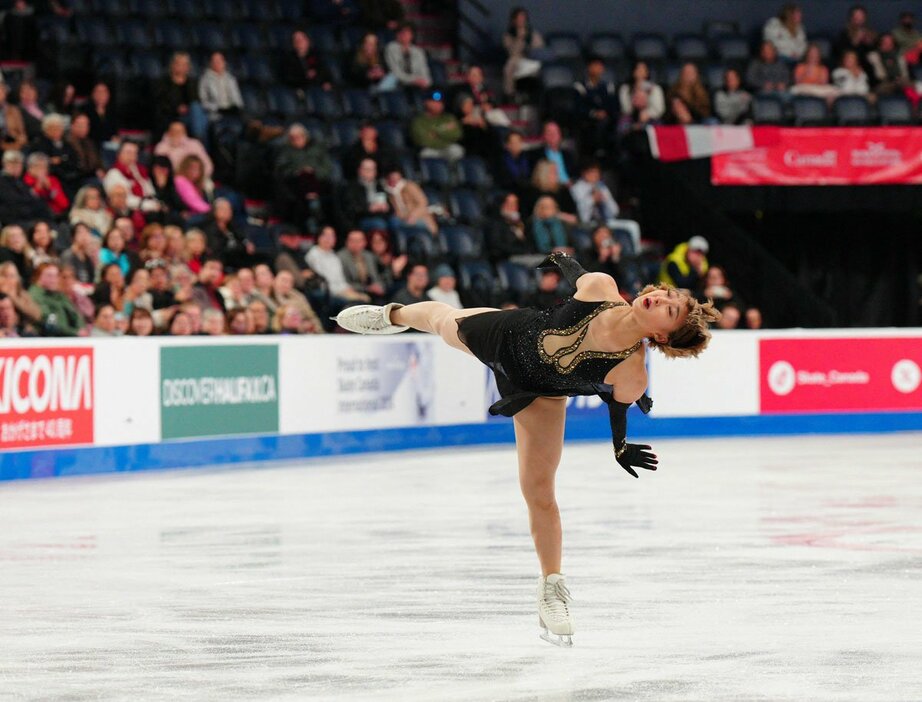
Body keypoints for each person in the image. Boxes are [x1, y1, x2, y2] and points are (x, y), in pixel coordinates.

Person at [334, 251, 719, 647]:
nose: (660, 298)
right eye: (666, 295)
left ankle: (552, 587)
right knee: (441, 320)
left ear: (660, 337)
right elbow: (578, 273)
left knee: (539, 492)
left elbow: (617, 407)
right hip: (506, 335)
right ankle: (391, 316)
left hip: (541, 394)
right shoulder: (602, 288)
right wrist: (562, 260)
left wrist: (620, 448)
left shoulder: (631, 373)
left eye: (670, 311)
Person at [275, 123, 333, 227]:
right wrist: (297, 171)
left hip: (319, 183)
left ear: (305, 136)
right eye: (293, 138)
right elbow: (281, 170)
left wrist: (314, 171)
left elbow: (327, 168)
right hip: (296, 186)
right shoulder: (285, 152)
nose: (296, 140)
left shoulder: (318, 148)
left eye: (299, 136)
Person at [306, 225, 369, 302]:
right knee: (356, 301)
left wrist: (348, 289)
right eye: (326, 235)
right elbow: (324, 282)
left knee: (365, 298)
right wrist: (345, 292)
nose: (329, 239)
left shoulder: (334, 256)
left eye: (332, 236)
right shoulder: (313, 255)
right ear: (319, 237)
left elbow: (341, 279)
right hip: (327, 293)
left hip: (341, 290)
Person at [154, 51, 207, 142]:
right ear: (173, 65)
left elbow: (196, 100)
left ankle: (199, 140)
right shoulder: (164, 83)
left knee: (197, 110)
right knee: (201, 120)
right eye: (179, 64)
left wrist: (187, 108)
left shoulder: (192, 83)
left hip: (190, 115)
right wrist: (177, 109)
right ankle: (199, 143)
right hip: (172, 115)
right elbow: (161, 103)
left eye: (185, 64)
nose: (182, 67)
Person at [573, 56, 619, 159]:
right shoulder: (580, 87)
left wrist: (606, 113)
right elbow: (579, 108)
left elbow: (614, 106)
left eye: (600, 66)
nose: (598, 69)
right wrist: (594, 113)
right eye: (595, 65)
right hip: (588, 122)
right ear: (589, 67)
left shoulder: (608, 87)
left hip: (607, 121)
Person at [29, 262, 86, 336]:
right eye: (49, 276)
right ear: (39, 276)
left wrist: (81, 328)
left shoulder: (58, 294)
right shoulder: (36, 295)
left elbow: (74, 313)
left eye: (56, 276)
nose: (53, 279)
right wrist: (75, 332)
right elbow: (50, 322)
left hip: (68, 337)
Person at [410, 89, 465, 162]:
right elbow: (422, 141)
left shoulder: (448, 118)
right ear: (426, 102)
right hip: (430, 149)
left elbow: (457, 135)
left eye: (440, 102)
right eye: (434, 102)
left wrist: (436, 133)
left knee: (457, 150)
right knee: (426, 154)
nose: (438, 105)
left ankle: (451, 171)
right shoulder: (419, 121)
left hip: (447, 148)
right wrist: (445, 130)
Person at [502, 6, 545, 99]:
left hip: (531, 59)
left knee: (539, 68)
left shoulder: (532, 33)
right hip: (517, 59)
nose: (521, 20)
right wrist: (520, 38)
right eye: (519, 18)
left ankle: (537, 96)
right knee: (509, 66)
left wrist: (531, 49)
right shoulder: (508, 35)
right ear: (514, 20)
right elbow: (512, 52)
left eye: (523, 17)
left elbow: (539, 48)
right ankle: (509, 94)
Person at [33, 113, 81, 195]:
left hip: (71, 175)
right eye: (53, 128)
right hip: (54, 176)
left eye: (59, 127)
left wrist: (61, 160)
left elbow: (74, 160)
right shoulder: (40, 144)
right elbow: (46, 161)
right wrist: (63, 159)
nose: (56, 130)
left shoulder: (67, 144)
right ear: (46, 130)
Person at [0, 150, 52, 223]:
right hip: (12, 219)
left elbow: (33, 199)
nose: (15, 167)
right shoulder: (2, 181)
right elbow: (13, 201)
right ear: (4, 164)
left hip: (27, 217)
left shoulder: (20, 182)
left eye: (18, 163)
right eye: (12, 163)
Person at [383, 166, 438, 235]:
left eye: (396, 176)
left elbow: (423, 203)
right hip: (402, 219)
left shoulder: (410, 186)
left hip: (419, 217)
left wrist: (413, 216)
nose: (394, 178)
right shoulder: (389, 192)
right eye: (392, 177)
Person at [103, 141, 155, 212]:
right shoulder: (113, 174)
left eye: (135, 153)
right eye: (128, 152)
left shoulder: (141, 171)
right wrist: (146, 204)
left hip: (148, 207)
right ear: (119, 154)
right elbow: (121, 200)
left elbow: (151, 192)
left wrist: (154, 203)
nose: (132, 156)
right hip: (127, 211)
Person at [340, 158, 392, 230]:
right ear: (360, 170)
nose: (370, 172)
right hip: (363, 219)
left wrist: (387, 207)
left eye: (373, 169)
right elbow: (351, 208)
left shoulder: (379, 185)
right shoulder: (352, 187)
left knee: (395, 221)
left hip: (382, 216)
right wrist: (368, 208)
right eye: (367, 169)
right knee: (379, 224)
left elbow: (389, 204)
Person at [338, 229, 386, 302]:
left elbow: (375, 277)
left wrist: (378, 286)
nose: (356, 243)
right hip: (355, 291)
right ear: (347, 242)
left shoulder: (369, 256)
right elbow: (345, 283)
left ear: (364, 242)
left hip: (372, 290)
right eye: (352, 241)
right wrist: (367, 288)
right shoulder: (341, 257)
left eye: (359, 241)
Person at [487, 192, 535, 264]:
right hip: (504, 259)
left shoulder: (521, 224)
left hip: (522, 257)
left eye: (516, 204)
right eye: (510, 204)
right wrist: (520, 251)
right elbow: (497, 245)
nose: (514, 208)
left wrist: (521, 234)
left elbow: (529, 245)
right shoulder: (495, 224)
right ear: (502, 205)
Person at [618, 61, 666, 131]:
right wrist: (635, 100)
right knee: (623, 126)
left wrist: (647, 114)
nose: (640, 72)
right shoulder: (625, 88)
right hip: (631, 117)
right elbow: (626, 109)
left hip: (650, 118)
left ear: (647, 72)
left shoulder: (655, 88)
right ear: (633, 72)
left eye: (643, 70)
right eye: (638, 69)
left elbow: (659, 109)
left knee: (658, 128)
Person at [198, 51, 244, 122]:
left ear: (224, 62)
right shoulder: (205, 80)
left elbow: (238, 99)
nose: (218, 63)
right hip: (216, 113)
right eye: (215, 61)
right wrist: (217, 108)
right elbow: (203, 101)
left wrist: (235, 107)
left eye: (220, 60)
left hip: (232, 112)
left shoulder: (231, 78)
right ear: (211, 63)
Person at [569, 161, 619, 227]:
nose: (595, 175)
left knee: (632, 225)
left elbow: (615, 212)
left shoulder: (602, 187)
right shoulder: (576, 188)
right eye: (592, 172)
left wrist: (606, 200)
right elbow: (582, 214)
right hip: (588, 223)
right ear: (584, 173)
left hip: (606, 221)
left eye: (597, 172)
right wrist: (592, 199)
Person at [384, 22, 432, 89]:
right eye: (401, 32)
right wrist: (413, 80)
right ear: (397, 35)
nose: (403, 35)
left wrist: (425, 82)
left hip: (417, 83)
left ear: (412, 35)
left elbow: (424, 71)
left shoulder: (418, 51)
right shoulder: (391, 48)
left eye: (406, 33)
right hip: (398, 83)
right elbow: (395, 72)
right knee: (390, 79)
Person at [22, 152, 69, 217]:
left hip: (55, 215)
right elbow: (27, 204)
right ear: (30, 168)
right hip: (33, 216)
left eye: (44, 167)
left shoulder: (52, 180)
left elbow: (64, 204)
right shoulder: (24, 181)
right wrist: (38, 188)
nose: (41, 170)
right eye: (38, 166)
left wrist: (50, 188)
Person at [0, 259, 41, 329]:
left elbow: (37, 315)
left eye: (12, 276)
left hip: (25, 330)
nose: (9, 279)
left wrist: (14, 298)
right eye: (6, 276)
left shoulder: (22, 294)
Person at [835, 5, 877, 71]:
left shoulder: (870, 32)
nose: (859, 18)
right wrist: (856, 40)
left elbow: (874, 50)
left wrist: (869, 43)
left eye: (861, 16)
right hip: (850, 64)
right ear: (851, 18)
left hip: (866, 64)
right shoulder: (845, 33)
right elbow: (842, 52)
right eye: (856, 16)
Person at [535, 121, 575, 187]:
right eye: (549, 132)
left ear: (560, 135)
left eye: (555, 132)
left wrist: (571, 182)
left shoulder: (568, 155)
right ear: (544, 136)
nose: (552, 135)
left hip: (569, 187)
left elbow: (574, 174)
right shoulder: (536, 155)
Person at [67, 112, 105, 182]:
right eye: (81, 125)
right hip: (78, 180)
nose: (84, 128)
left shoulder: (89, 142)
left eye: (86, 125)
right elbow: (77, 168)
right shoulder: (67, 143)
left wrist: (101, 169)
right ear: (72, 125)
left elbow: (98, 162)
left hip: (92, 177)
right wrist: (94, 173)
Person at [0, 82, 26, 153]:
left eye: (1, 91)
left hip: (13, 143)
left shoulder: (14, 110)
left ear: (5, 94)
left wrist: (17, 143)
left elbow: (22, 134)